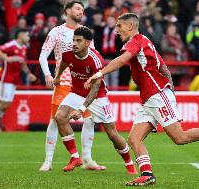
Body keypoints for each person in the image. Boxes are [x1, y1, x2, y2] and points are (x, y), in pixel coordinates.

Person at [85, 13, 199, 186]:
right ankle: (147, 174)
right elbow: (164, 68)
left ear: (130, 26)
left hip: (156, 95)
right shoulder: (145, 41)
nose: (116, 30)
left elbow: (122, 60)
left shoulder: (135, 41)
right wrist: (170, 91)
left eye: (119, 26)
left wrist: (99, 73)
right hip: (150, 97)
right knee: (134, 139)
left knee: (180, 138)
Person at [53, 26, 137, 174]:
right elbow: (64, 63)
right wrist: (58, 76)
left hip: (98, 97)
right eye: (73, 40)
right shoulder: (67, 54)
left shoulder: (95, 60)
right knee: (60, 117)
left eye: (78, 41)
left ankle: (129, 164)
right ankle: (75, 158)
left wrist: (81, 109)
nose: (74, 43)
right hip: (76, 93)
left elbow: (95, 88)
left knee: (112, 133)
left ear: (87, 43)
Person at [38, 1, 104, 172]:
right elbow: (43, 55)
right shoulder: (57, 31)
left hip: (83, 83)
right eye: (77, 8)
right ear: (67, 10)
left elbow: (93, 56)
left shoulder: (85, 33)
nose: (80, 11)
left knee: (89, 120)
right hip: (64, 82)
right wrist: (47, 74)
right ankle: (48, 161)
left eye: (82, 9)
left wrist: (93, 78)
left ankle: (87, 159)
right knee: (55, 120)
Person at [0, 28, 36, 137]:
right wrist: (7, 58)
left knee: (6, 105)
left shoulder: (24, 48)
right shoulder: (11, 45)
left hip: (14, 80)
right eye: (27, 35)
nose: (28, 37)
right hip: (5, 79)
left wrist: (29, 73)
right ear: (20, 35)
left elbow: (22, 63)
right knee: (4, 104)